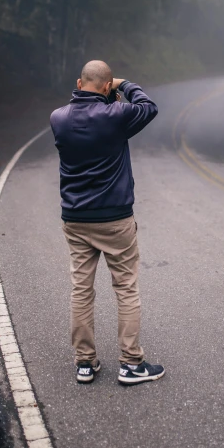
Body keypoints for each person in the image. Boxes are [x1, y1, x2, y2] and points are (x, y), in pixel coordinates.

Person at [50, 60, 165, 386]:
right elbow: (148, 106)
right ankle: (131, 364)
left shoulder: (57, 118)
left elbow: (85, 117)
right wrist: (124, 84)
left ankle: (84, 363)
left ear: (78, 82)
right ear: (106, 87)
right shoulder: (117, 116)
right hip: (115, 219)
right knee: (126, 289)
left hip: (75, 218)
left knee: (81, 291)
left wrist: (105, 94)